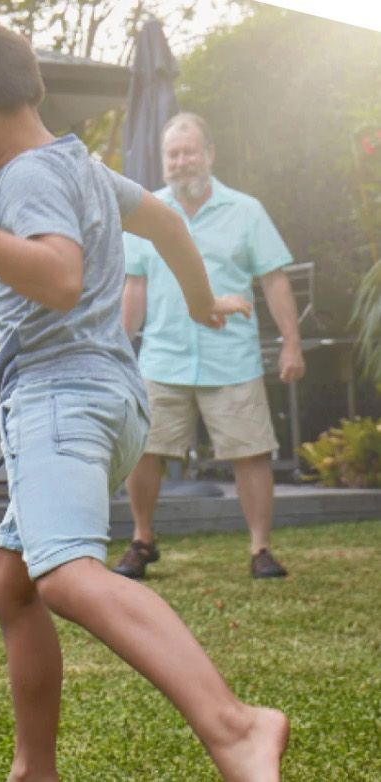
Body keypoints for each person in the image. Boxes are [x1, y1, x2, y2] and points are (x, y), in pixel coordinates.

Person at [0, 10, 286, 781]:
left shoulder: (23, 176)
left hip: (58, 401)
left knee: (67, 577)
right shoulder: (76, 164)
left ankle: (236, 726)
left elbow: (60, 277)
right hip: (112, 400)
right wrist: (201, 301)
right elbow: (164, 222)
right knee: (11, 582)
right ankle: (33, 767)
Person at [116, 112, 304, 581]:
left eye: (189, 152)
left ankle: (261, 549)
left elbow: (274, 280)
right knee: (142, 448)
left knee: (251, 451)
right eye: (172, 155)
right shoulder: (145, 213)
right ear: (163, 161)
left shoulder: (246, 211)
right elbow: (134, 286)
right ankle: (142, 540)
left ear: (210, 154)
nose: (181, 162)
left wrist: (291, 344)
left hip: (231, 356)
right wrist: (118, 348)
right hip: (163, 355)